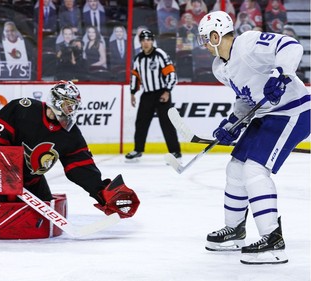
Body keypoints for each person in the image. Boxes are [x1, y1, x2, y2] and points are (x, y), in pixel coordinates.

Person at [197, 11, 310, 264]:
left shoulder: (247, 43)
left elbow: (290, 45)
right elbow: (246, 97)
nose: (203, 44)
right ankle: (235, 231)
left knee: (254, 170)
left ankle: (273, 240)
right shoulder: (220, 68)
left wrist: (281, 74)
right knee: (235, 168)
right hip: (267, 115)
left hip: (294, 111)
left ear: (216, 35)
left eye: (205, 38)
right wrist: (233, 122)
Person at [0, 80, 140, 219]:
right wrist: (2, 166)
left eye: (73, 107)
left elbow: (80, 167)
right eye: (68, 105)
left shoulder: (70, 134)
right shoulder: (23, 109)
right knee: (14, 220)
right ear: (56, 101)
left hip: (32, 182)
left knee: (42, 220)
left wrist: (101, 191)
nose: (71, 111)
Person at [126, 29, 181, 161]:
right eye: (144, 40)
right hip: (147, 94)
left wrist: (167, 91)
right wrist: (133, 93)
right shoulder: (138, 58)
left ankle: (175, 151)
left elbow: (172, 74)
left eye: (149, 40)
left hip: (162, 93)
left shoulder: (160, 54)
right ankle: (138, 150)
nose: (146, 43)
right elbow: (135, 76)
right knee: (141, 123)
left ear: (152, 41)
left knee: (166, 123)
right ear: (140, 42)